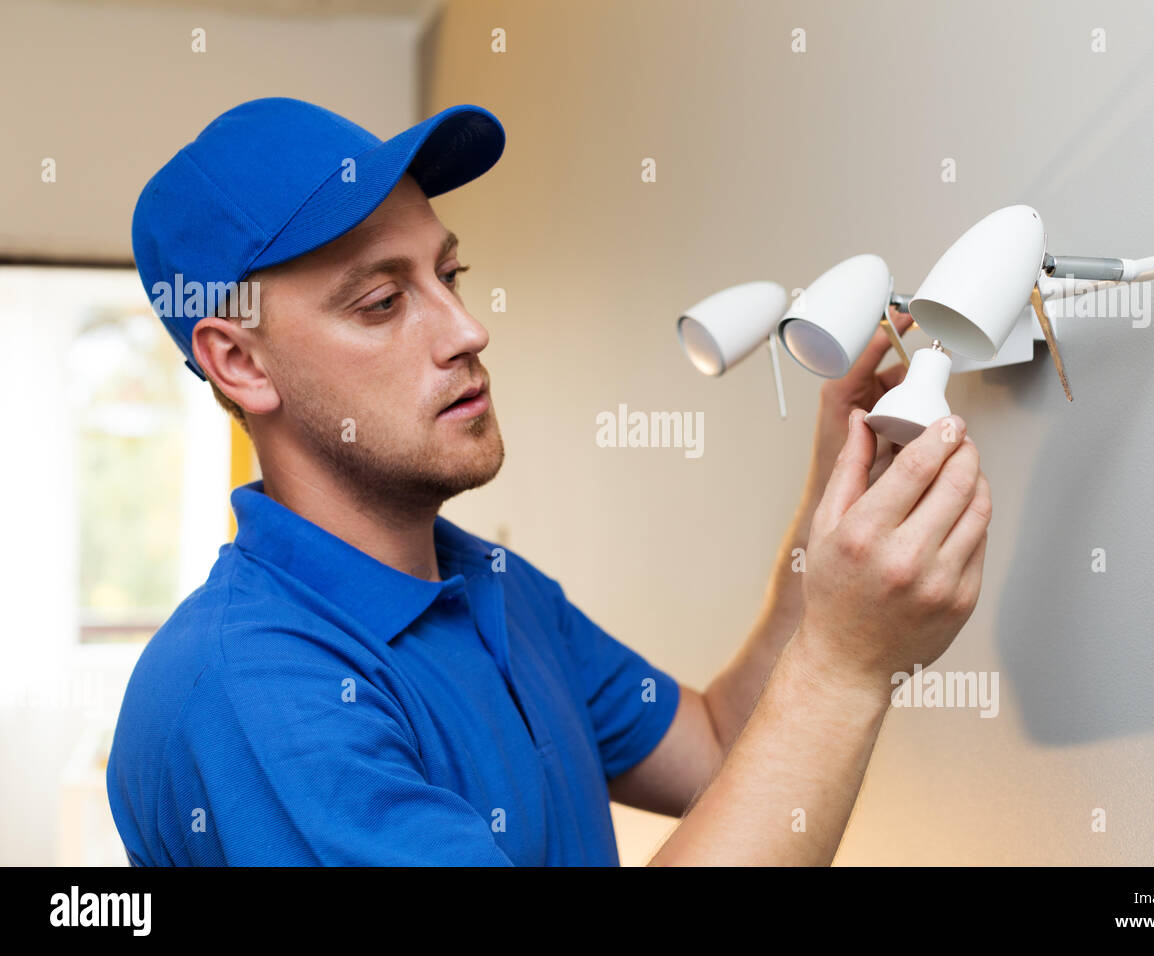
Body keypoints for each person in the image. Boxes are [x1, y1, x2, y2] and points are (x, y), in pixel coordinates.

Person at [107, 98, 991, 866]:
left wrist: (835, 498)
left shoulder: (490, 588)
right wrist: (843, 670)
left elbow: (724, 749)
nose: (467, 329)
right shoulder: (246, 693)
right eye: (382, 302)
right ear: (239, 363)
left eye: (450, 274)